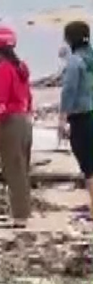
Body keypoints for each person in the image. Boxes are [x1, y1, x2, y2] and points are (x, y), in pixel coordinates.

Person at [0, 26, 34, 228]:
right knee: (21, 168)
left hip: (10, 122)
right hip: (23, 120)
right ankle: (21, 212)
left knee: (13, 169)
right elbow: (28, 98)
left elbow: (0, 101)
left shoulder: (3, 69)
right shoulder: (19, 67)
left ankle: (20, 217)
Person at [58, 20, 93, 216]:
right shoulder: (89, 56)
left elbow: (69, 91)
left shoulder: (75, 62)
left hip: (80, 116)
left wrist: (62, 118)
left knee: (87, 165)